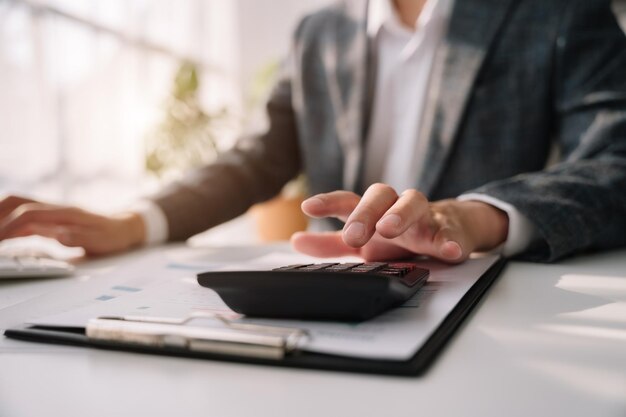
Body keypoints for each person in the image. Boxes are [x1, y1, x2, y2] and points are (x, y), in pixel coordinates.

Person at [1, 0, 625, 263]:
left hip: (483, 300)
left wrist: (474, 216)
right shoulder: (318, 34)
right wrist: (134, 222)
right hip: (335, 295)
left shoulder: (559, 11)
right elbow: (255, 161)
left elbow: (617, 156)